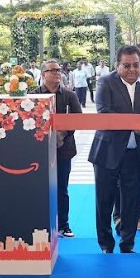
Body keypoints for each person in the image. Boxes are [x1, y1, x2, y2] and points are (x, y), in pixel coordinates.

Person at [88, 46, 140, 253]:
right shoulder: (105, 82)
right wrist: (137, 124)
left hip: (137, 153)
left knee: (132, 201)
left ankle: (128, 243)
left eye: (136, 65)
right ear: (117, 65)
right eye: (126, 65)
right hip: (107, 152)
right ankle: (106, 244)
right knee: (104, 200)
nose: (132, 69)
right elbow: (104, 112)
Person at [36, 59, 83, 238]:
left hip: (64, 148)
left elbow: (78, 119)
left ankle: (64, 224)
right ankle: (43, 224)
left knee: (62, 187)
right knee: (41, 187)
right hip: (39, 151)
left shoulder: (70, 95)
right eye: (52, 70)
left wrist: (61, 135)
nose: (56, 73)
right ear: (43, 74)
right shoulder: (34, 95)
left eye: (58, 70)